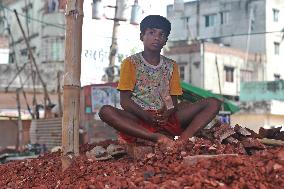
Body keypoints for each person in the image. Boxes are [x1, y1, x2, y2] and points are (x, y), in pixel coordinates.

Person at [99, 15, 221, 148]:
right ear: (142, 36)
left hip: (166, 119)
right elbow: (125, 101)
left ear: (165, 40)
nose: (157, 37)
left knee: (213, 103)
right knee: (105, 111)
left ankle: (182, 140)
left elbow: (173, 101)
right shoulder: (130, 63)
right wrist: (146, 116)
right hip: (139, 119)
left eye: (162, 34)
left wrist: (166, 113)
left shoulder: (171, 66)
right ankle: (156, 137)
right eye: (151, 33)